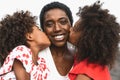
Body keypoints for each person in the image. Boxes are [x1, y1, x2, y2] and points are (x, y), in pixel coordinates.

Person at [68, 1, 120, 80]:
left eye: (74, 29)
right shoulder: (97, 65)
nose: (69, 29)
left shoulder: (85, 75)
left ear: (86, 38)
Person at [0, 10, 51, 80]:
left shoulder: (42, 64)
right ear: (29, 36)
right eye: (39, 29)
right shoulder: (21, 51)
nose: (44, 32)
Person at [39, 1, 74, 80]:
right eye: (49, 24)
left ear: (71, 25)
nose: (57, 29)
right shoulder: (36, 57)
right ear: (43, 29)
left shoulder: (82, 56)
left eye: (63, 22)